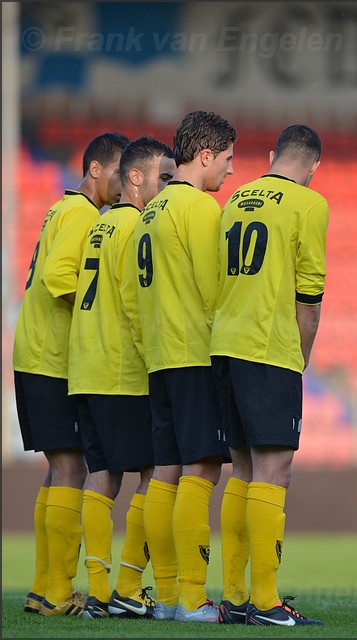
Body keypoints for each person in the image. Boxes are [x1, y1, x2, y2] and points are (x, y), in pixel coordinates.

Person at [210, 124, 329, 626]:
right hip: (268, 349)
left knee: (240, 470)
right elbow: (310, 297)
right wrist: (299, 358)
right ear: (313, 166)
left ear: (274, 154)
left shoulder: (235, 199)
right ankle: (265, 601)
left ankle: (236, 597)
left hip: (225, 347)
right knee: (274, 471)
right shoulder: (309, 204)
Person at [13, 132, 129, 617]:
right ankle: (58, 592)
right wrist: (96, 312)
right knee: (71, 468)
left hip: (35, 353)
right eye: (120, 173)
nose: (124, 185)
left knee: (60, 469)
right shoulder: (83, 214)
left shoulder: (63, 209)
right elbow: (60, 276)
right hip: (53, 358)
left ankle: (44, 588)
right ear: (97, 170)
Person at [133, 111, 237, 623]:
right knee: (203, 469)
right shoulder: (199, 208)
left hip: (157, 358)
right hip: (194, 354)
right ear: (205, 156)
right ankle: (194, 598)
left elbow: (137, 298)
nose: (231, 171)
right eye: (228, 159)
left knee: (165, 472)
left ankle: (171, 595)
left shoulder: (149, 212)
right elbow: (214, 288)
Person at [67, 136, 175, 620]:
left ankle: (97, 591)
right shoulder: (135, 225)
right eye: (163, 177)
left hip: (86, 368)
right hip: (122, 370)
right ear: (136, 178)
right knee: (156, 474)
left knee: (102, 478)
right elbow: (136, 302)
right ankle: (129, 586)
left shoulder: (101, 224)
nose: (167, 186)